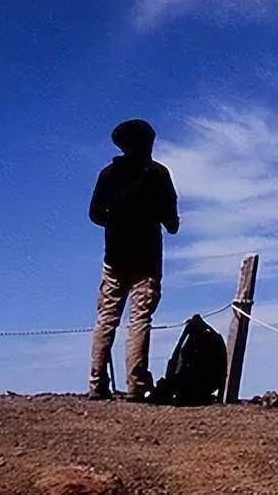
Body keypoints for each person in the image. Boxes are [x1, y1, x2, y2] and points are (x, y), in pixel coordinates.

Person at [87, 118, 179, 400]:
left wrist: (116, 223)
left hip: (114, 256)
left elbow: (94, 214)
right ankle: (136, 385)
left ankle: (96, 383)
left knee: (106, 318)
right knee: (139, 318)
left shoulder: (107, 174)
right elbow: (171, 223)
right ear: (148, 143)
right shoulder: (158, 174)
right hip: (147, 258)